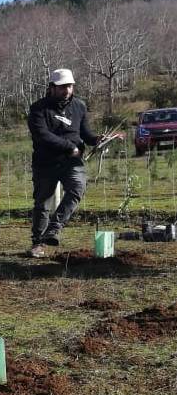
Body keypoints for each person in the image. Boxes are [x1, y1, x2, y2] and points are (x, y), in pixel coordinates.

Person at [27, 69, 119, 258]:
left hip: (72, 162)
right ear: (52, 87)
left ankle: (53, 229)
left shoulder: (79, 106)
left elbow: (85, 133)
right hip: (46, 162)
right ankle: (38, 243)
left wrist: (96, 139)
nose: (67, 90)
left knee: (77, 188)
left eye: (69, 86)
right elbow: (42, 135)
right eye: (62, 87)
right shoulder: (38, 109)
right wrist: (69, 146)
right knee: (43, 203)